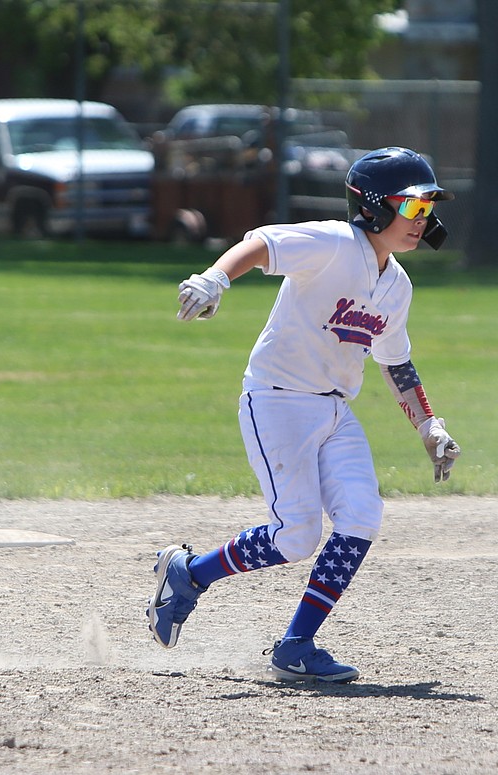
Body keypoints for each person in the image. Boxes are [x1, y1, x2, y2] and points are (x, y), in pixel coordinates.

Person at [147, 147, 461, 682]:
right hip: (278, 399)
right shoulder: (335, 244)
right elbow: (262, 243)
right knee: (296, 535)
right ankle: (189, 574)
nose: (422, 221)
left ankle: (296, 645)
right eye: (412, 208)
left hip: (334, 410)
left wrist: (429, 425)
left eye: (428, 209)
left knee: (361, 516)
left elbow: (396, 361)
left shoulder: (397, 285)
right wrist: (215, 278)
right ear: (375, 208)